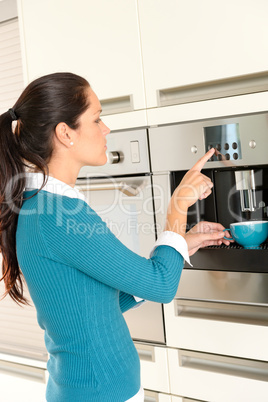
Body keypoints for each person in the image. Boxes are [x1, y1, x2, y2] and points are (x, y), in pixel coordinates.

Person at [0, 72, 230, 402]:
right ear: (66, 133)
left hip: (92, 388)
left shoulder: (43, 206)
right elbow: (162, 287)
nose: (106, 129)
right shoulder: (57, 215)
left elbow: (93, 309)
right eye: (97, 118)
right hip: (100, 392)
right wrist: (178, 204)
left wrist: (180, 244)